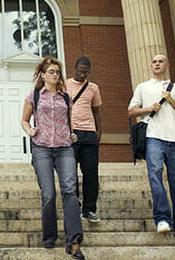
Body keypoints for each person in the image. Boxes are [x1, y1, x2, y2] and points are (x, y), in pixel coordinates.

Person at [127, 54, 175, 233]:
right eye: (154, 62)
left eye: (160, 61)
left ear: (167, 65)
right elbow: (131, 111)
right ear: (151, 66)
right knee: (155, 176)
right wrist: (149, 108)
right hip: (153, 137)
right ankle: (162, 219)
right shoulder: (143, 87)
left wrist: (170, 99)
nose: (157, 64)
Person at [21, 56, 84, 259]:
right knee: (48, 194)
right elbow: (24, 120)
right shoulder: (34, 96)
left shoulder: (66, 98)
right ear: (43, 74)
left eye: (57, 72)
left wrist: (73, 133)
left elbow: (68, 120)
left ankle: (74, 242)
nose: (55, 75)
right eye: (51, 72)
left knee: (70, 191)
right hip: (42, 148)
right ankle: (49, 235)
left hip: (65, 148)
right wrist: (29, 130)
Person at [66, 56, 102, 222]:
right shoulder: (65, 85)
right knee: (70, 173)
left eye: (86, 72)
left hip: (89, 134)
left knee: (91, 173)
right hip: (72, 134)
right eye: (80, 71)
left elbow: (96, 112)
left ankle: (89, 209)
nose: (83, 74)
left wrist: (98, 133)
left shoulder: (93, 88)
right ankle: (75, 207)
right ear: (75, 68)